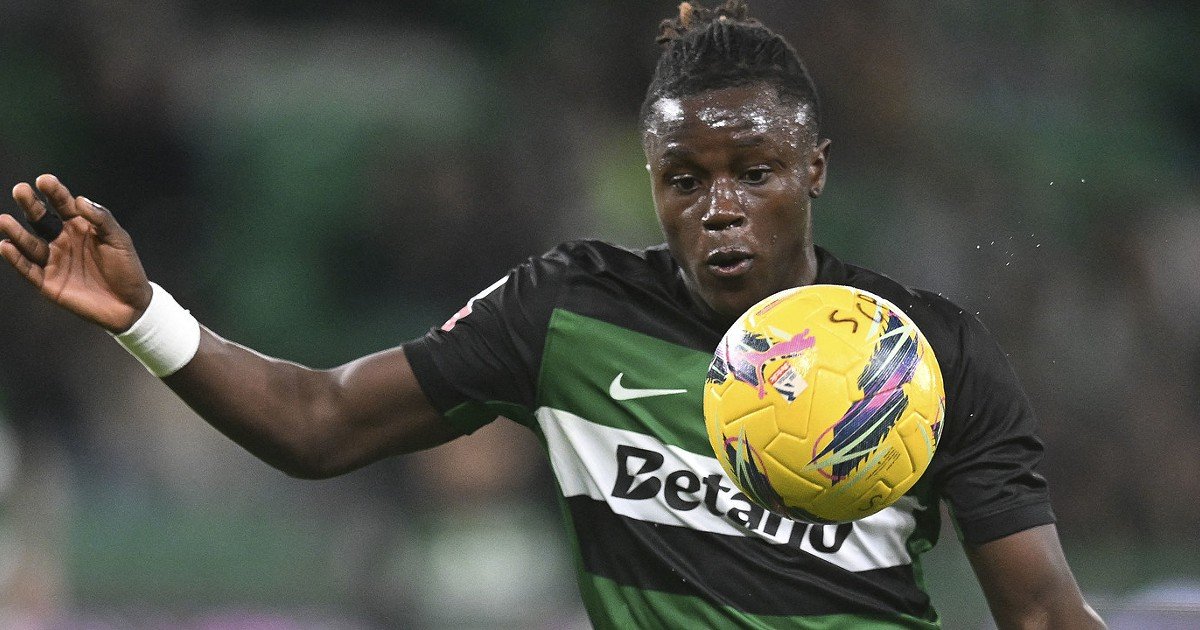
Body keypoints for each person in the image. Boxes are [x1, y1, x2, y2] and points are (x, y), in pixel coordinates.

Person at [0, 1, 1105, 628]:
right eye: (686, 179)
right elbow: (318, 423)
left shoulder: (927, 355)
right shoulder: (566, 312)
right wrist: (145, 316)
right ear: (651, 179)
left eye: (757, 173)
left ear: (815, 166)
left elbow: (1044, 614)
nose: (720, 208)